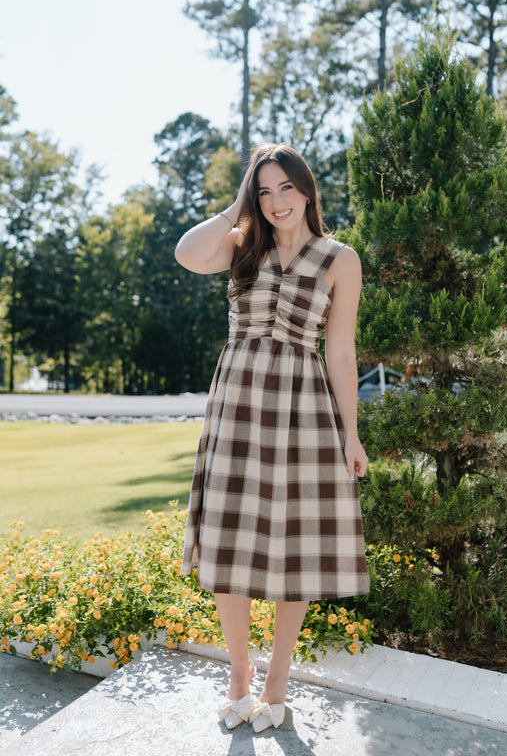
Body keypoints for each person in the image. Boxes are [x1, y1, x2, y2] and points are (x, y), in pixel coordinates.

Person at [175, 142, 369, 733]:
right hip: (237, 402)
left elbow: (339, 351)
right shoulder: (241, 243)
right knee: (229, 540)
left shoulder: (340, 259)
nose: (277, 201)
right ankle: (238, 678)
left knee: (296, 549)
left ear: (306, 189)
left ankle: (276, 682)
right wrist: (238, 206)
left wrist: (351, 435)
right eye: (264, 190)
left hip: (302, 406)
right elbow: (187, 254)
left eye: (286, 187)